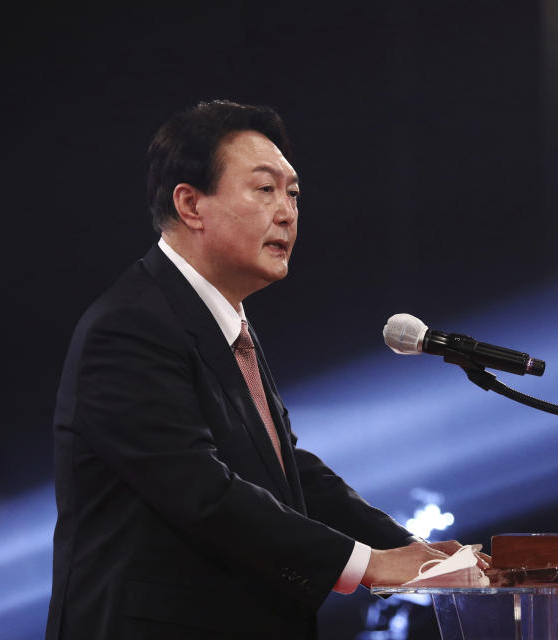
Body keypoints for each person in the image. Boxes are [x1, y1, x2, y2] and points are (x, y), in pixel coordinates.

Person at [45, 99, 485, 640]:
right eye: (264, 189)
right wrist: (368, 563)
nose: (287, 212)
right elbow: (203, 494)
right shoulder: (130, 326)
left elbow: (288, 474)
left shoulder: (224, 324)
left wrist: (403, 549)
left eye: (293, 193)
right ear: (190, 204)